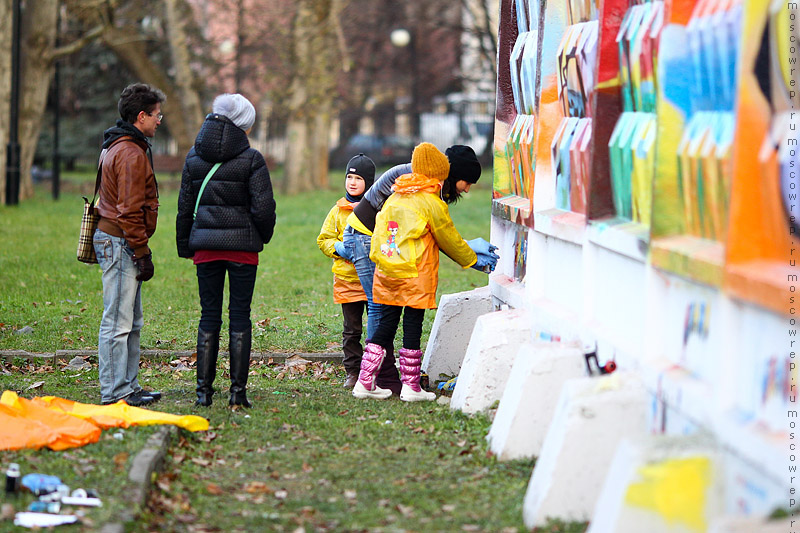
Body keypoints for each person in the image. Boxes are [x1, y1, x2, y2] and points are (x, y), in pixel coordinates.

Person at [351, 143, 498, 401]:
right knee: (412, 327)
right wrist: (472, 258)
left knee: (384, 324)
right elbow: (448, 239)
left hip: (387, 271)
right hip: (414, 274)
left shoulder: (397, 195)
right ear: (441, 175)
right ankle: (411, 386)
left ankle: (365, 382)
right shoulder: (431, 202)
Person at [176, 94, 276, 408]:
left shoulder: (194, 156)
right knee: (240, 316)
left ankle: (203, 394)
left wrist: (186, 245)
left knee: (209, 316)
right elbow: (263, 209)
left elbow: (184, 208)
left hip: (205, 248)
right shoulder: (252, 159)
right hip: (243, 250)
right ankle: (237, 394)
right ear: (245, 126)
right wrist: (262, 236)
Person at [93, 83, 165, 407]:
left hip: (121, 241)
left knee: (131, 322)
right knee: (118, 323)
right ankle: (115, 393)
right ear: (141, 116)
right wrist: (141, 251)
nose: (159, 121)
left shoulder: (117, 145)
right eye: (156, 115)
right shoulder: (129, 152)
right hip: (121, 242)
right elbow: (128, 210)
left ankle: (128, 386)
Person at [316, 154, 376, 388]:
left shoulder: (377, 209)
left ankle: (374, 369)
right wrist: (338, 248)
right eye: (349, 177)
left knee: (377, 327)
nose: (352, 182)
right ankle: (352, 371)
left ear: (369, 183)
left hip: (372, 279)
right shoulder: (337, 211)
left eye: (358, 178)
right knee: (351, 330)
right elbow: (324, 239)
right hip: (347, 279)